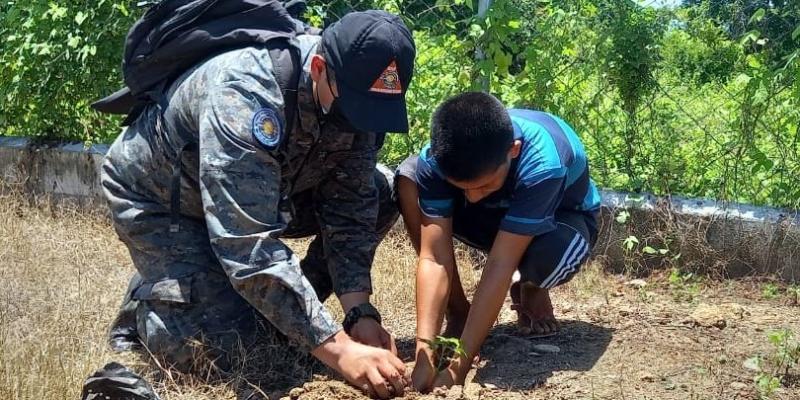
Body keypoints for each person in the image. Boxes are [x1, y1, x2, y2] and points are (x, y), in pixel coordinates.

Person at [99, 5, 416, 398]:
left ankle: (258, 305)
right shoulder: (244, 95)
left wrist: (358, 313)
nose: (360, 124)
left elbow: (350, 212)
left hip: (266, 191)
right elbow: (246, 244)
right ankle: (160, 294)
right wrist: (339, 350)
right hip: (164, 202)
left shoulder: (354, 97)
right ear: (320, 68)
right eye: (355, 108)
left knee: (380, 192)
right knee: (220, 357)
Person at [395, 92, 601, 391]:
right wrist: (424, 355)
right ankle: (459, 312)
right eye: (461, 188)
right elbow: (434, 258)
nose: (472, 197)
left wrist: (458, 367)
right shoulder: (437, 158)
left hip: (561, 221)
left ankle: (531, 285)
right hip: (496, 216)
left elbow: (500, 265)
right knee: (410, 177)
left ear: (513, 151)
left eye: (484, 185)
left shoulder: (544, 162)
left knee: (549, 256)